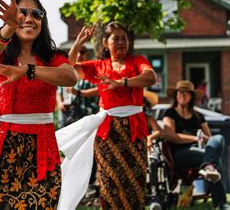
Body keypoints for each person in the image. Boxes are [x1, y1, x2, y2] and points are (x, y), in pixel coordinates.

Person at [0, 0, 77, 210]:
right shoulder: (1, 54)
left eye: (37, 14)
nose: (30, 18)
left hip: (41, 148)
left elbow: (70, 77)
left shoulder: (52, 57)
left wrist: (29, 71)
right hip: (2, 146)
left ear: (43, 21)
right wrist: (9, 27)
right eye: (23, 12)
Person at [56, 22, 157, 209]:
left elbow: (151, 77)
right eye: (116, 38)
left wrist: (121, 83)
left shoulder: (137, 61)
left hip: (134, 127)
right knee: (109, 181)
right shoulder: (99, 66)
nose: (121, 42)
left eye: (124, 38)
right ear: (105, 43)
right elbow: (68, 68)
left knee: (136, 180)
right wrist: (78, 42)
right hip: (108, 131)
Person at [163, 80, 230, 210]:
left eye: (186, 93)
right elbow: (170, 136)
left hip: (201, 151)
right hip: (181, 154)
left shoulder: (198, 116)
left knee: (218, 138)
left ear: (191, 97)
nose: (182, 96)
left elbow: (211, 139)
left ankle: (208, 167)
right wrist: (195, 138)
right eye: (179, 93)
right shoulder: (170, 113)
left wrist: (205, 139)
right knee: (215, 160)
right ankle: (220, 203)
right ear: (176, 95)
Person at [57, 45, 99, 129]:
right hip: (67, 115)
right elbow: (58, 90)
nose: (79, 55)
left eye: (82, 52)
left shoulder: (93, 71)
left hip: (85, 116)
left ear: (87, 55)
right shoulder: (66, 72)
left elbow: (100, 90)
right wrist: (60, 103)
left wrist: (78, 93)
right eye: (76, 52)